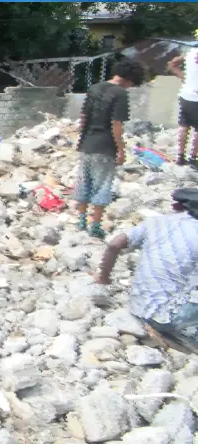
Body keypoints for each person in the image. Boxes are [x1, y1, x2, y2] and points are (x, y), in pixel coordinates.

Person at [95, 188, 198, 349]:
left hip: (141, 308)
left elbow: (115, 244)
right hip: (174, 317)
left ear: (177, 206)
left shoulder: (155, 222)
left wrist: (104, 278)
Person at [74, 58, 146, 239]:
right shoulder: (120, 94)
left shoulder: (94, 88)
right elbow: (116, 124)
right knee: (102, 185)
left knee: (84, 182)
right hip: (105, 146)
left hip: (86, 145)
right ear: (130, 79)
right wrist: (120, 149)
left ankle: (81, 221)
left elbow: (83, 117)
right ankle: (95, 225)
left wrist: (82, 139)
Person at [167, 47, 198, 167]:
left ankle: (180, 156)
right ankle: (193, 158)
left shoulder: (190, 52)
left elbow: (172, 64)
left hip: (185, 94)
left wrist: (185, 78)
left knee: (183, 126)